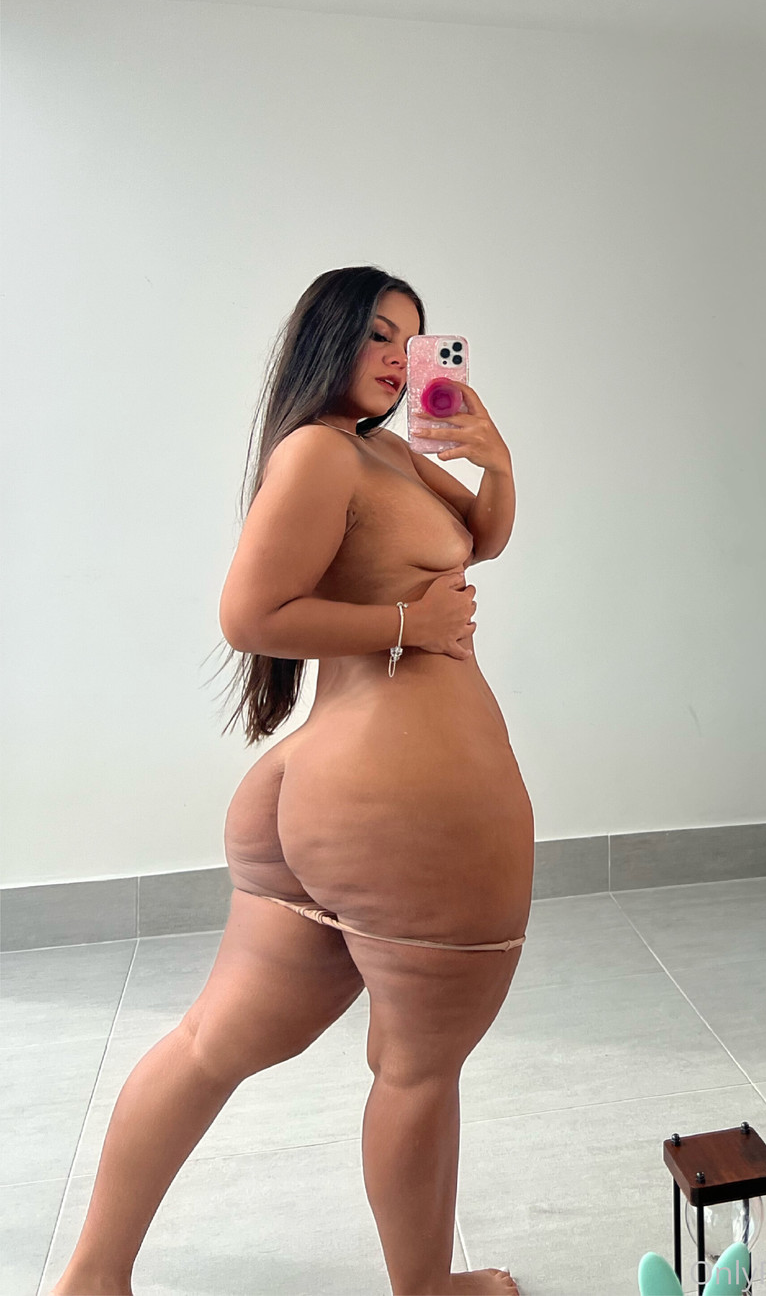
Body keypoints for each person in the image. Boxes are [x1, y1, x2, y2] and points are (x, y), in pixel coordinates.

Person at [51, 266, 533, 1296]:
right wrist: (408, 625)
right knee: (416, 1068)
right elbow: (250, 614)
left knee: (212, 1042)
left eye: (411, 339)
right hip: (396, 810)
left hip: (315, 802)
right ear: (327, 339)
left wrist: (493, 460)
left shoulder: (389, 453)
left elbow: (483, 540)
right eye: (376, 335)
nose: (397, 358)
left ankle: (90, 1278)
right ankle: (426, 1293)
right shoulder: (319, 452)